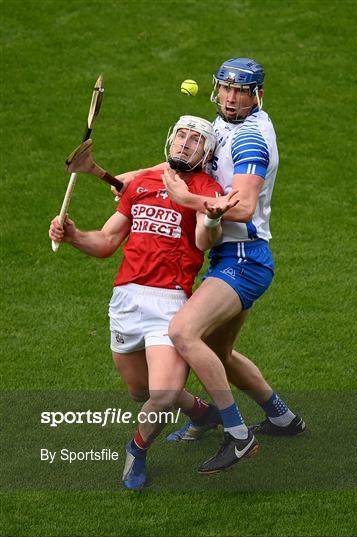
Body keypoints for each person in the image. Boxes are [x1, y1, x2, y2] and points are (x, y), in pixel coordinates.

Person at [49, 115, 241, 490]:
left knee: (163, 395)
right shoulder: (142, 183)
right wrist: (73, 236)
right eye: (181, 136)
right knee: (140, 392)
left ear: (206, 152)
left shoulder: (206, 190)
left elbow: (204, 240)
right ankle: (202, 414)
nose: (186, 143)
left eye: (195, 140)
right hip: (125, 300)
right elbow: (105, 241)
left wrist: (214, 220)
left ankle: (136, 450)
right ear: (170, 141)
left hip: (169, 302)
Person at [160, 58, 305, 474]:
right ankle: (282, 418)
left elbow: (240, 207)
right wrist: (109, 178)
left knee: (183, 332)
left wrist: (188, 201)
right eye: (225, 87)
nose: (230, 97)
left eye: (241, 90)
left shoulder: (250, 141)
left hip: (244, 259)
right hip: (231, 257)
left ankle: (238, 436)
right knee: (219, 352)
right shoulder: (225, 125)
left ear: (257, 94)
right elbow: (181, 166)